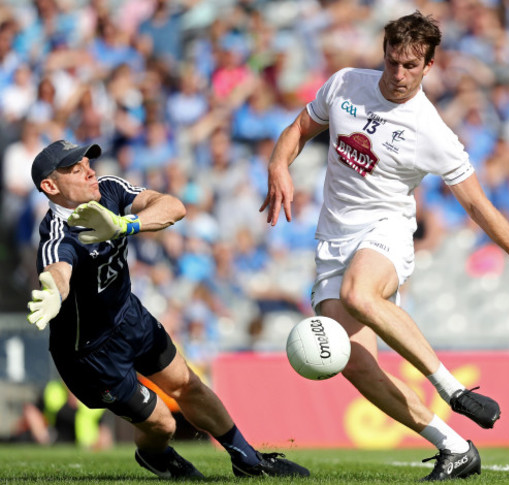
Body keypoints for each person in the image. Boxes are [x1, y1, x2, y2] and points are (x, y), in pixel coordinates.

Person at [261, 11, 509, 482]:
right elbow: (299, 129)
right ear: (384, 54)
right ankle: (455, 446)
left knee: (361, 293)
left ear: (429, 66)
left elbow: (478, 205)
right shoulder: (345, 84)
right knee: (354, 364)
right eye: (393, 62)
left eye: (410, 66)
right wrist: (279, 163)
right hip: (332, 239)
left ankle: (453, 390)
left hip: (387, 230)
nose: (398, 75)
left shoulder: (431, 131)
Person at [26, 139, 309, 479]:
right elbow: (58, 270)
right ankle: (155, 456)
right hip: (91, 352)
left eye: (88, 163)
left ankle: (249, 461)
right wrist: (54, 293)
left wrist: (123, 224)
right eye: (76, 170)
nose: (90, 172)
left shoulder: (109, 190)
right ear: (50, 186)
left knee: (189, 384)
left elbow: (173, 206)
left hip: (130, 317)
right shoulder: (57, 233)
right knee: (162, 422)